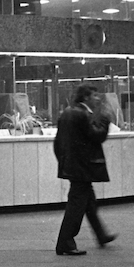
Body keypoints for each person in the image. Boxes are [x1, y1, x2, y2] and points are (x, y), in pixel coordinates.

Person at [54, 84, 118, 256]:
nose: (98, 98)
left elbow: (57, 142)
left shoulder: (67, 112)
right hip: (82, 168)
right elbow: (96, 136)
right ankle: (65, 242)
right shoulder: (82, 114)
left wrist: (64, 162)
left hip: (74, 166)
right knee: (76, 206)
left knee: (89, 203)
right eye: (95, 95)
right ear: (86, 97)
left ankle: (101, 235)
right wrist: (105, 121)